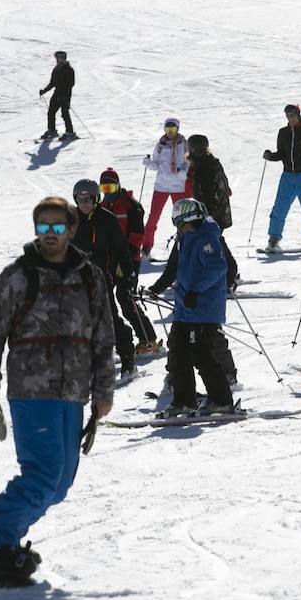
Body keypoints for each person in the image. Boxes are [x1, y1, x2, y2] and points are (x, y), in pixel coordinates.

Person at [0, 196, 115, 582]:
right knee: (43, 475)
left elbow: (103, 336)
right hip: (31, 390)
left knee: (61, 483)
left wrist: (104, 390)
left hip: (74, 391)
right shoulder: (17, 276)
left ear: (71, 229)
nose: (50, 234)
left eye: (57, 227)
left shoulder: (89, 277)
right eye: (43, 227)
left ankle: (3, 542)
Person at [162, 198, 234, 416]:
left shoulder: (206, 237)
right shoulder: (185, 238)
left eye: (184, 224)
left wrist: (195, 291)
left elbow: (217, 267)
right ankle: (184, 400)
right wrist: (158, 287)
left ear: (194, 220)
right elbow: (176, 267)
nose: (181, 229)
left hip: (204, 309)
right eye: (179, 225)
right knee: (179, 353)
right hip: (185, 308)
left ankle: (221, 400)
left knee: (201, 354)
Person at [71, 179, 140, 381]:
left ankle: (128, 358)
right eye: (80, 200)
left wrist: (127, 274)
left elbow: (121, 248)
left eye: (88, 200)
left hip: (101, 278)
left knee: (110, 320)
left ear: (96, 199)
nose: (84, 204)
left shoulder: (107, 219)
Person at [98, 168, 162, 357]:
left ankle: (148, 339)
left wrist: (126, 259)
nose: (108, 192)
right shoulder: (102, 206)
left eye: (111, 187)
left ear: (118, 186)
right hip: (108, 261)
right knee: (105, 301)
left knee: (126, 298)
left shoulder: (131, 206)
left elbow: (137, 235)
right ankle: (113, 340)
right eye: (104, 188)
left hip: (128, 261)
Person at [264, 104, 301, 251]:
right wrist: (271, 156)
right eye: (288, 115)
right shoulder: (283, 133)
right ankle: (273, 239)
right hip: (287, 176)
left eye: (292, 115)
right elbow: (281, 153)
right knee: (279, 208)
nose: (290, 118)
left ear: (298, 115)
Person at [142, 117, 189, 259]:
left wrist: (183, 173)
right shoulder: (160, 145)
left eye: (173, 129)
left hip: (177, 186)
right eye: (167, 129)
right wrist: (149, 163)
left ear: (177, 129)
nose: (170, 132)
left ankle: (185, 245)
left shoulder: (183, 144)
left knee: (182, 217)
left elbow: (189, 162)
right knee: (153, 217)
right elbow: (156, 164)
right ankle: (146, 247)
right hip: (161, 186)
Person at [184, 134, 232, 231]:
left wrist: (207, 217)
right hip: (214, 214)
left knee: (209, 238)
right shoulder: (210, 162)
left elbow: (209, 195)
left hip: (211, 216)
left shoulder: (202, 167)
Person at [38, 50, 76, 141]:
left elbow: (71, 83)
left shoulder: (69, 69)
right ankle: (52, 130)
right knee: (51, 112)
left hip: (65, 95)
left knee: (64, 113)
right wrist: (44, 91)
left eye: (58, 58)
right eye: (56, 58)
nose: (57, 60)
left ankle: (70, 132)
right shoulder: (56, 69)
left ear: (63, 58)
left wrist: (64, 94)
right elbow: (52, 83)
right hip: (57, 93)